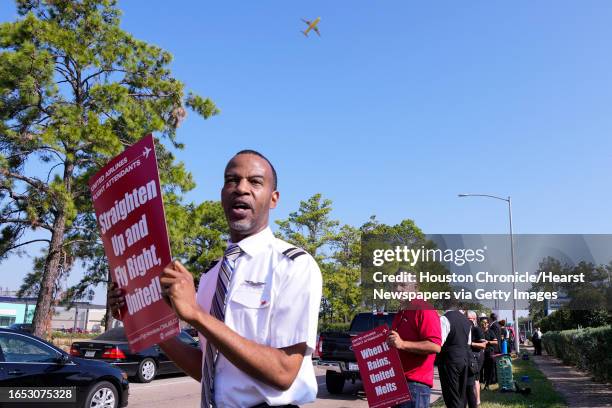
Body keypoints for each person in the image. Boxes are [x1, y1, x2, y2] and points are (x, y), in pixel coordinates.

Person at [110, 150, 322, 408]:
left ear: (274, 198)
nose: (240, 188)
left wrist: (196, 314)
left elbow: (283, 372)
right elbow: (209, 371)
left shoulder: (293, 265)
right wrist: (139, 320)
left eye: (255, 182)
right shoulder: (212, 276)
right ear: (222, 194)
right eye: (231, 180)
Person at [386, 281, 442, 408]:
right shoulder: (402, 312)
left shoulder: (423, 308)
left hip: (415, 387)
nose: (398, 289)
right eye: (395, 285)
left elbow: (435, 346)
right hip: (399, 384)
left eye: (403, 284)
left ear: (416, 287)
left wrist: (402, 344)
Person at [437, 309, 472, 408]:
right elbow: (468, 343)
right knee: (461, 395)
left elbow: (439, 342)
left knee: (451, 396)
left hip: (449, 360)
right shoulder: (466, 320)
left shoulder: (444, 318)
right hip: (464, 359)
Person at [467, 311, 486, 408]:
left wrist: (470, 344)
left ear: (474, 319)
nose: (466, 321)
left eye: (468, 319)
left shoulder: (477, 329)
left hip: (477, 356)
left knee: (475, 379)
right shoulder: (466, 329)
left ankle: (477, 400)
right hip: (469, 356)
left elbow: (483, 345)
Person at [480, 318, 498, 389]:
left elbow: (496, 342)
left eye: (485, 323)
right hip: (480, 353)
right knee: (480, 369)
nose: (484, 324)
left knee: (488, 369)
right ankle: (480, 383)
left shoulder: (491, 332)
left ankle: (487, 384)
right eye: (482, 323)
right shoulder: (479, 331)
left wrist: (488, 342)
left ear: (488, 324)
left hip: (488, 352)